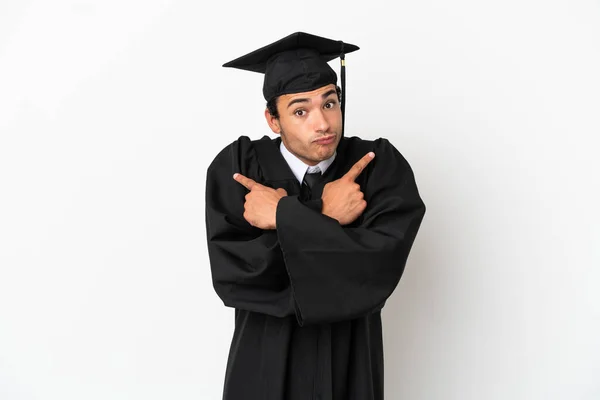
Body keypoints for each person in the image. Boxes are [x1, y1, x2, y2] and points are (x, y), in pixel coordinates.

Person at [205, 32, 426, 400]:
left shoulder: (378, 166)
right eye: (300, 110)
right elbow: (239, 276)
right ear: (273, 120)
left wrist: (283, 216)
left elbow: (374, 272)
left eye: (330, 103)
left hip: (350, 364)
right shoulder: (240, 167)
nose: (322, 124)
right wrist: (322, 213)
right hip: (263, 366)